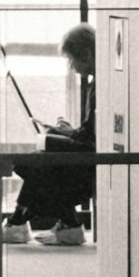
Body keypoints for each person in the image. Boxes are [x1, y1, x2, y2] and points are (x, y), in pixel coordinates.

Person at [11, 24, 98, 242]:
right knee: (41, 163)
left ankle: (19, 220)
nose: (71, 66)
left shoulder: (100, 84)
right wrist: (69, 132)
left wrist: (68, 133)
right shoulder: (100, 82)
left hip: (92, 160)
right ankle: (64, 223)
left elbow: (90, 135)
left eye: (71, 59)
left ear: (86, 54)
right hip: (92, 153)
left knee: (34, 164)